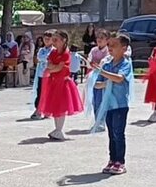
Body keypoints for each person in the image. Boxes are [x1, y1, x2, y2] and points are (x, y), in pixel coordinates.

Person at [91, 33, 133, 175]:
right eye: (109, 45)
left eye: (114, 45)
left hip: (120, 105)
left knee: (118, 133)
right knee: (111, 133)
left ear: (124, 48)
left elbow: (119, 78)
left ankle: (120, 161)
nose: (110, 48)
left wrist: (104, 76)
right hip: (108, 105)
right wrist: (100, 79)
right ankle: (112, 159)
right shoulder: (107, 65)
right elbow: (97, 84)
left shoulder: (125, 64)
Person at [38, 29, 84, 140]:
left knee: (61, 107)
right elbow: (49, 65)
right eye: (53, 39)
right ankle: (57, 129)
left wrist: (53, 68)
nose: (53, 42)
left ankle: (59, 130)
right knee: (55, 107)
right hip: (54, 82)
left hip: (63, 83)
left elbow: (58, 67)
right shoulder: (53, 52)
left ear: (63, 40)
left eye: (56, 40)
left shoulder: (66, 52)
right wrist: (53, 67)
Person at [84, 30, 111, 131]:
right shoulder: (93, 50)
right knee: (94, 99)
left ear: (107, 40)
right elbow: (89, 61)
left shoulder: (108, 51)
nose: (99, 40)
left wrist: (98, 64)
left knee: (103, 99)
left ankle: (102, 121)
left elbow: (106, 61)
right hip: (94, 76)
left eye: (102, 38)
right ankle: (97, 120)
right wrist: (90, 63)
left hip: (103, 76)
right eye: (98, 38)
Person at [30, 31, 53, 119]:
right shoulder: (41, 50)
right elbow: (39, 57)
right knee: (39, 92)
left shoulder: (53, 50)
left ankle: (47, 110)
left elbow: (49, 59)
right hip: (40, 74)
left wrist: (45, 59)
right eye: (45, 39)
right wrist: (45, 58)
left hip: (49, 74)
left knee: (48, 93)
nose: (46, 40)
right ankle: (38, 109)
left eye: (48, 39)